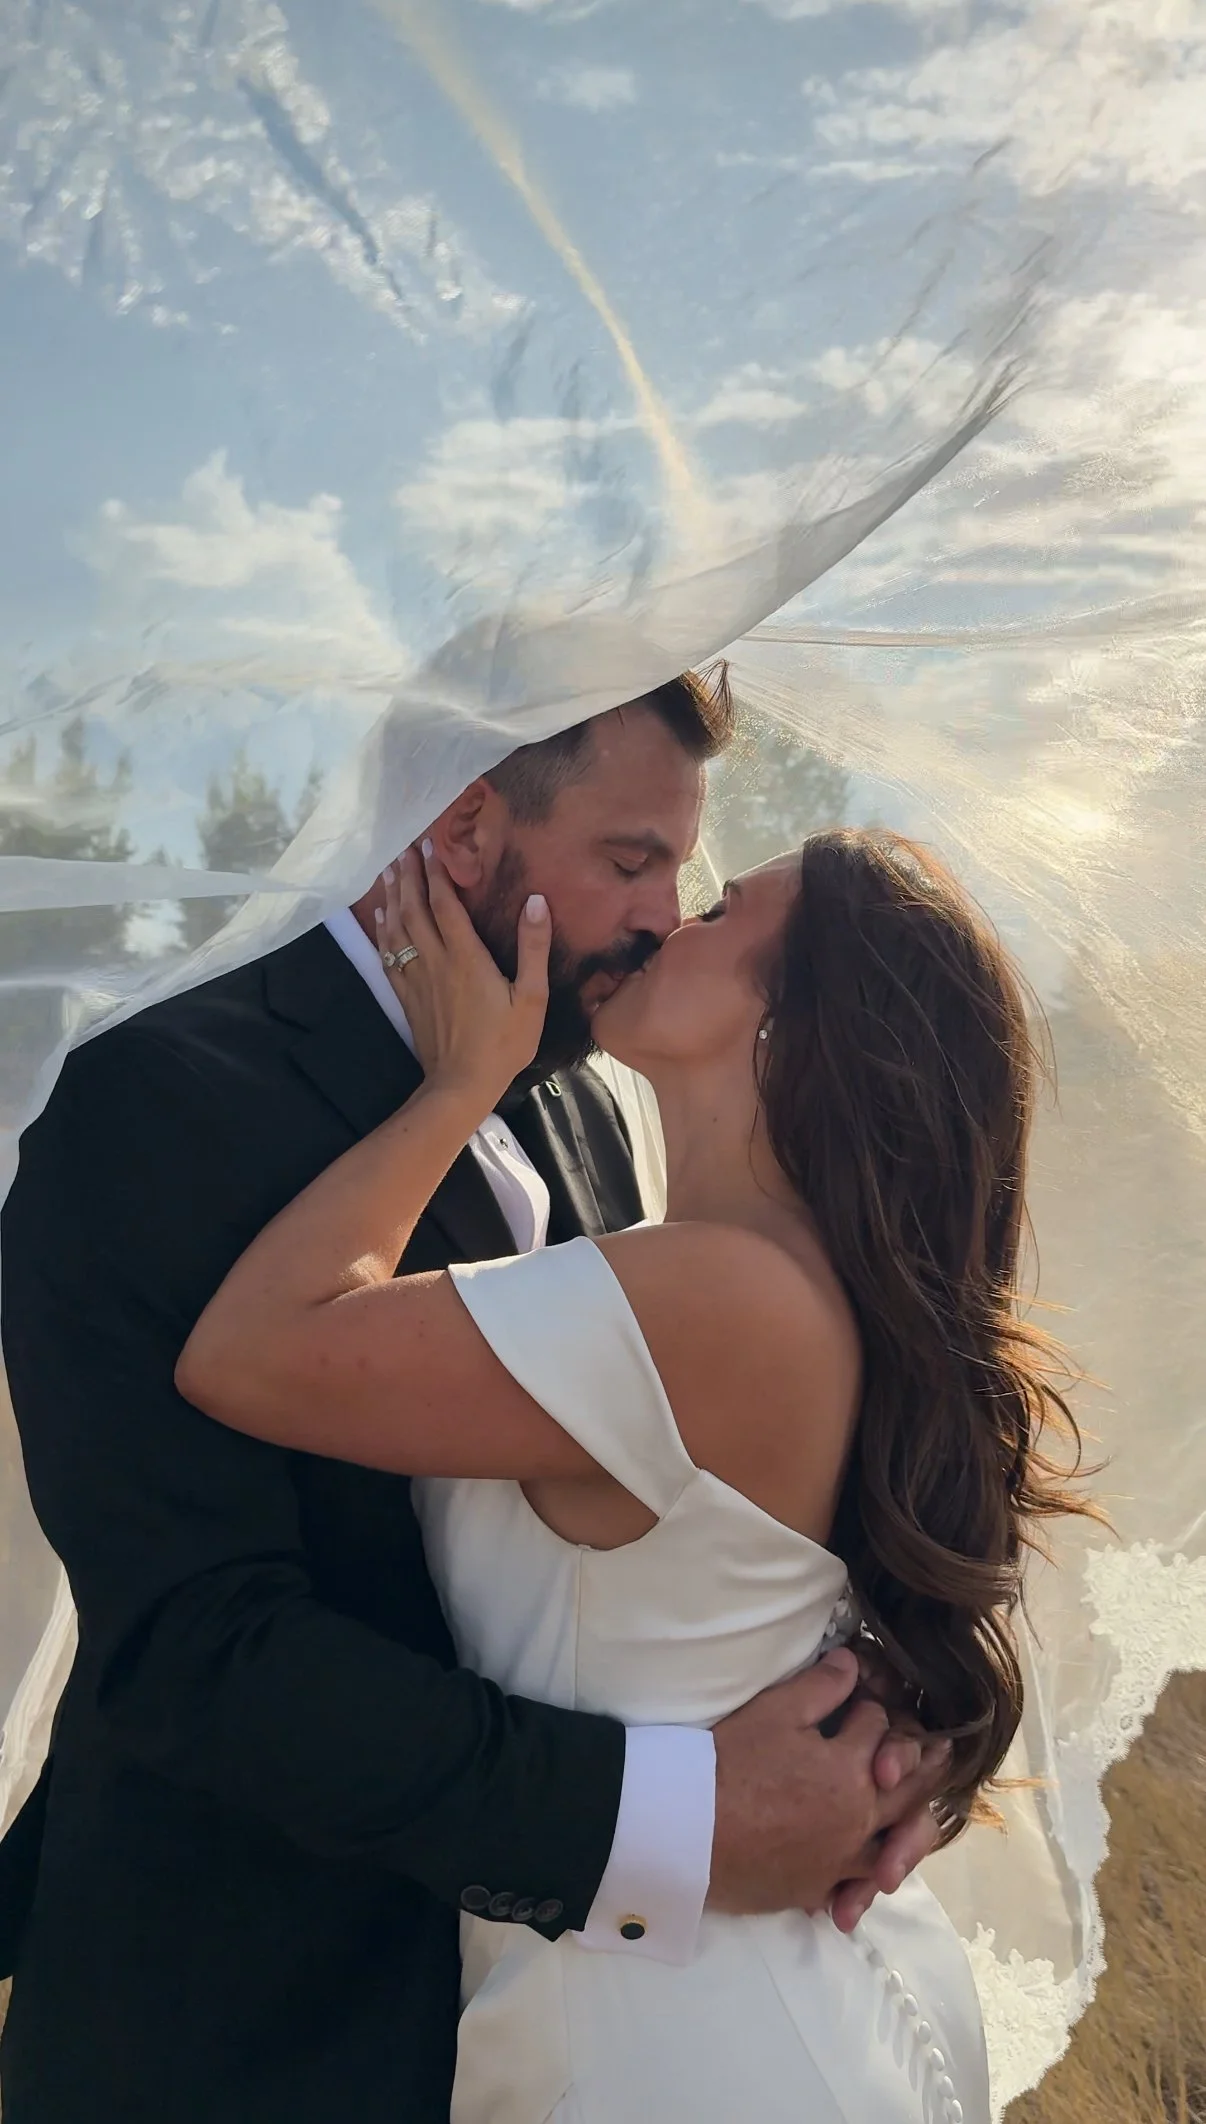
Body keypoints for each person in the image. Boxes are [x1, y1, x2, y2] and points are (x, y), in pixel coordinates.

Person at [0, 674, 943, 2124]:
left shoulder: (579, 1096)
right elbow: (199, 1651)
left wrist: (882, 1736)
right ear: (460, 829)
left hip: (575, 2029)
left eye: (684, 875)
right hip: (250, 2031)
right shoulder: (150, 1099)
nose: (659, 916)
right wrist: (682, 1823)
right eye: (631, 862)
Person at [174, 824, 1097, 2123]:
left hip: (682, 2051)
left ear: (791, 1027)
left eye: (723, 911)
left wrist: (458, 1082)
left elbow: (250, 1357)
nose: (669, 920)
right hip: (727, 2005)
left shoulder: (720, 1296)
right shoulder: (777, 1292)